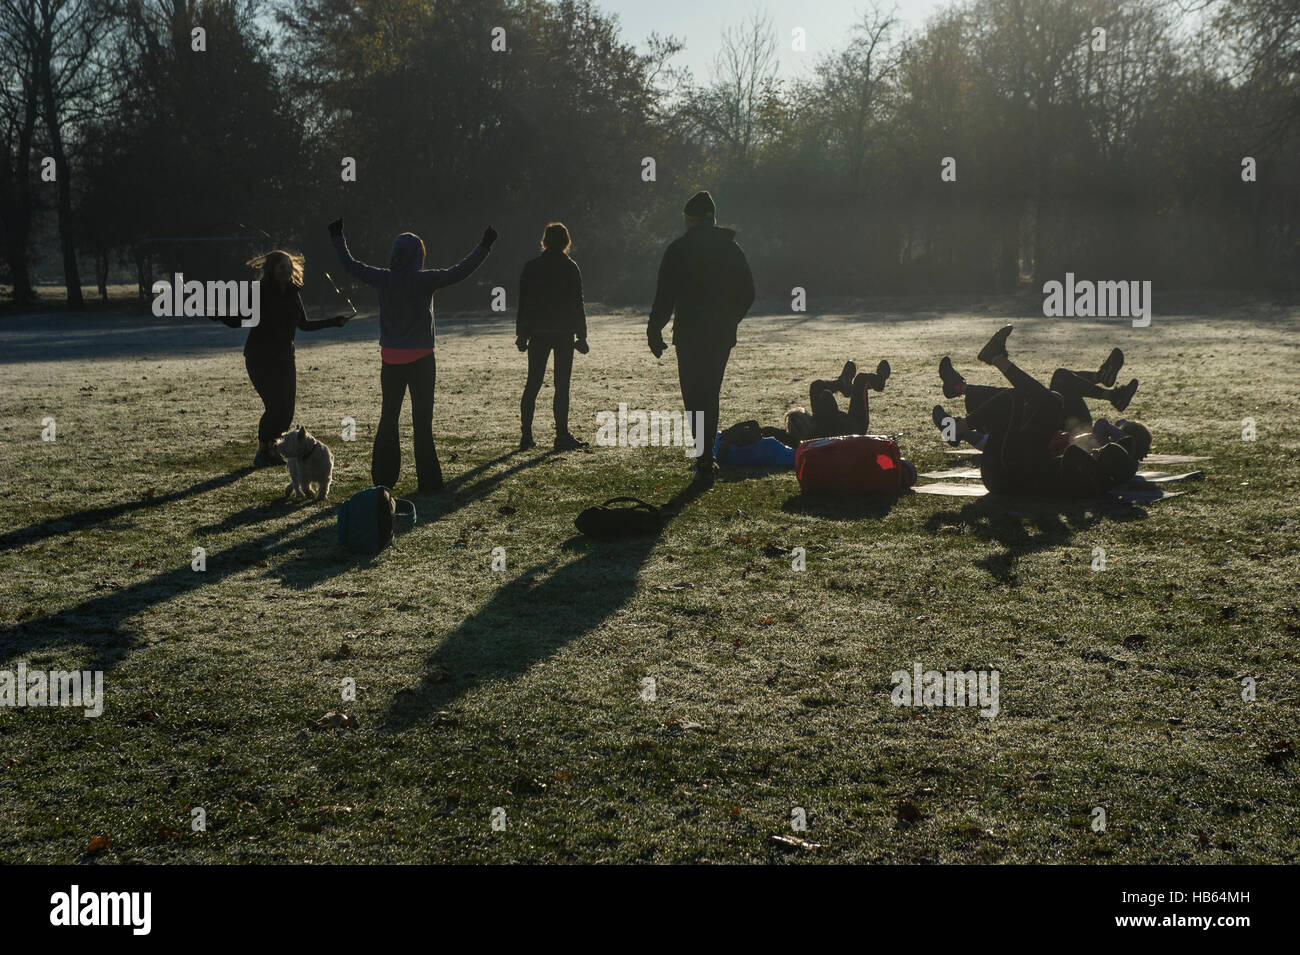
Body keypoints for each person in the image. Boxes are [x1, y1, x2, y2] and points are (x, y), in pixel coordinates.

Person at [328, 217, 496, 494]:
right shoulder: (424, 280)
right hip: (421, 359)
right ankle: (429, 482)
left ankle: (383, 480)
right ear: (418, 256)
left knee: (388, 418)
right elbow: (459, 271)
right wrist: (484, 245)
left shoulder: (383, 278)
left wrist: (337, 238)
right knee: (422, 421)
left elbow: (351, 267)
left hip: (391, 358)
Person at [931, 326, 1139, 497]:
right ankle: (979, 376)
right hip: (1013, 465)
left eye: (1097, 454)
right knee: (1052, 396)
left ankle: (958, 420)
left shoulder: (1088, 477)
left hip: (1004, 472)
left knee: (1020, 398)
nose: (1094, 451)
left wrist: (1057, 446)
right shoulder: (1092, 475)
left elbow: (1067, 457)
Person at [648, 191, 755, 487]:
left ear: (689, 220)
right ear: (712, 219)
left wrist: (654, 329)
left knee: (693, 395)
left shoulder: (678, 250)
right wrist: (730, 320)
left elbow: (664, 295)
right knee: (710, 392)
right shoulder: (732, 250)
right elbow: (748, 292)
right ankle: (707, 459)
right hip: (720, 335)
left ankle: (703, 457)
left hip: (689, 334)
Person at [211, 250, 350, 467]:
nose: (286, 271)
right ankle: (263, 450)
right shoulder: (260, 292)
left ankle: (272, 449)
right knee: (275, 407)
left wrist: (334, 321)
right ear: (271, 270)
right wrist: (218, 314)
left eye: (288, 267)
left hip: (285, 358)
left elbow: (303, 325)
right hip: (260, 357)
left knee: (287, 411)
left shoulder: (293, 293)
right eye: (281, 267)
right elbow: (240, 320)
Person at [516, 222, 589, 451]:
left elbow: (524, 304)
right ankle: (561, 434)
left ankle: (526, 435)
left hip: (538, 332)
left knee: (533, 383)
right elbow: (578, 303)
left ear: (545, 241)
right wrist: (582, 336)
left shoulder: (531, 267)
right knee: (562, 385)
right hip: (564, 332)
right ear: (566, 241)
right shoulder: (570, 267)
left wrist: (522, 334)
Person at [782, 359, 891, 443]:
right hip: (857, 427)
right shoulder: (819, 432)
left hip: (843, 423)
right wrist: (826, 400)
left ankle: (842, 384)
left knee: (816, 386)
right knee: (861, 380)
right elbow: (829, 401)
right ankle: (880, 380)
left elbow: (773, 432)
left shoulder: (816, 422)